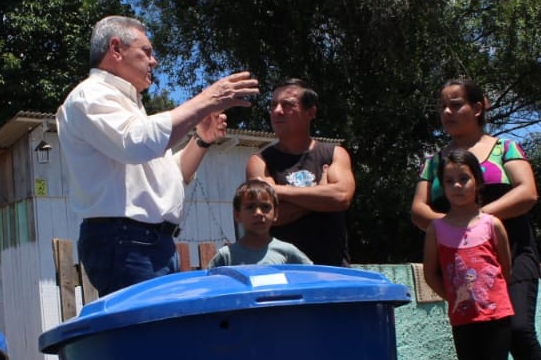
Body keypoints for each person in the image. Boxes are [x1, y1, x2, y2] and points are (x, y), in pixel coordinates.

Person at [411, 77, 541, 360]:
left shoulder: (505, 148)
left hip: (512, 252)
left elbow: (527, 191)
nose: (447, 112)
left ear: (478, 107)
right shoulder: (435, 163)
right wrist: (452, 226)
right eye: (442, 106)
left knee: (518, 330)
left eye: (456, 104)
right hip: (461, 265)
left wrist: (477, 219)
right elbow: (418, 209)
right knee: (480, 348)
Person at [57, 15, 260, 296]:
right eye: (147, 51)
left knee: (157, 324)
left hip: (148, 243)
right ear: (116, 49)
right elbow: (136, 143)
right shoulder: (90, 96)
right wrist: (207, 100)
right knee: (145, 325)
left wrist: (201, 140)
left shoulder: (127, 105)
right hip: (127, 242)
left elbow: (173, 176)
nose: (154, 61)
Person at [423, 149, 521, 360]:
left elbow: (504, 267)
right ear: (442, 186)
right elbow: (431, 273)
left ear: (477, 182)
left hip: (496, 315)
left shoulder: (492, 224)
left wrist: (488, 297)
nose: (457, 186)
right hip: (462, 318)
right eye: (449, 180)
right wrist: (454, 298)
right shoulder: (436, 230)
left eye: (464, 178)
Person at [245, 79, 355, 266]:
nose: (277, 111)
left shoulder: (334, 154)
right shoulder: (260, 161)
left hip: (332, 270)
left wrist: (278, 191)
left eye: (287, 105)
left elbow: (341, 197)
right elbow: (271, 216)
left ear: (310, 112)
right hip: (281, 271)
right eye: (273, 105)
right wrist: (321, 192)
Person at [207, 179, 313, 267]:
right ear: (237, 215)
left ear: (275, 214)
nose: (258, 213)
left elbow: (313, 276)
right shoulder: (226, 256)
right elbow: (208, 283)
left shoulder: (287, 252)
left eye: (265, 207)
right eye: (250, 207)